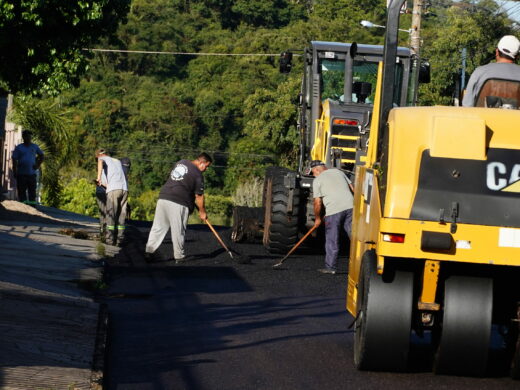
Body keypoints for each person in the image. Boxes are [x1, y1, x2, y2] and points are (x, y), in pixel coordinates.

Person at [145, 152, 212, 263]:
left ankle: (149, 252)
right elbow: (199, 196)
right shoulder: (198, 175)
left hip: (163, 198)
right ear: (201, 163)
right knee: (178, 230)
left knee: (158, 227)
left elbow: (180, 181)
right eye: (207, 166)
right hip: (179, 203)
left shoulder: (181, 162)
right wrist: (202, 212)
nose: (206, 169)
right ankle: (179, 257)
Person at [311, 160, 354, 274]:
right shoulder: (338, 172)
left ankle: (331, 267)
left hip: (333, 212)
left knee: (332, 239)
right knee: (354, 237)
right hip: (351, 207)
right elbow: (352, 188)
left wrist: (318, 218)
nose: (313, 174)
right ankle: (358, 266)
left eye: (313, 172)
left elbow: (317, 203)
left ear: (316, 170)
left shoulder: (317, 180)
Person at [462, 35, 520, 107]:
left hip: (483, 118)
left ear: (497, 52)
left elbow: (467, 105)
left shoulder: (479, 72)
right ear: (517, 56)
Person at [96, 149, 128, 246]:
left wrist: (98, 177)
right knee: (121, 215)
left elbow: (100, 162)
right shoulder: (117, 161)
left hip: (114, 190)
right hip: (124, 189)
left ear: (99, 155)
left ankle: (109, 240)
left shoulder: (102, 158)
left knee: (111, 214)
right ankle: (119, 240)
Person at [11, 130, 44, 205]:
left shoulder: (35, 147)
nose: (28, 138)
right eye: (26, 136)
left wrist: (37, 165)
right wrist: (14, 170)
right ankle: (23, 207)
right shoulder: (19, 147)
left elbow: (41, 155)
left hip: (31, 174)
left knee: (32, 191)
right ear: (23, 137)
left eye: (29, 136)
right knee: (22, 191)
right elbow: (14, 159)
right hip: (21, 174)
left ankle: (32, 206)